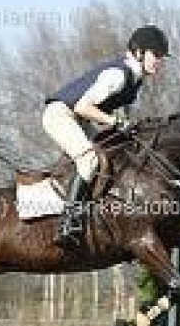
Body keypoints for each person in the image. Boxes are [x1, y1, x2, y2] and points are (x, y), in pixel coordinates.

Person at [42, 25, 170, 247]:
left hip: (78, 118)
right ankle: (67, 223)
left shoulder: (136, 79)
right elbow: (83, 106)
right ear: (139, 52)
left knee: (112, 156)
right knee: (89, 160)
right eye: (156, 54)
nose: (159, 60)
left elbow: (124, 113)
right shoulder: (118, 76)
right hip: (60, 114)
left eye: (161, 56)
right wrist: (114, 122)